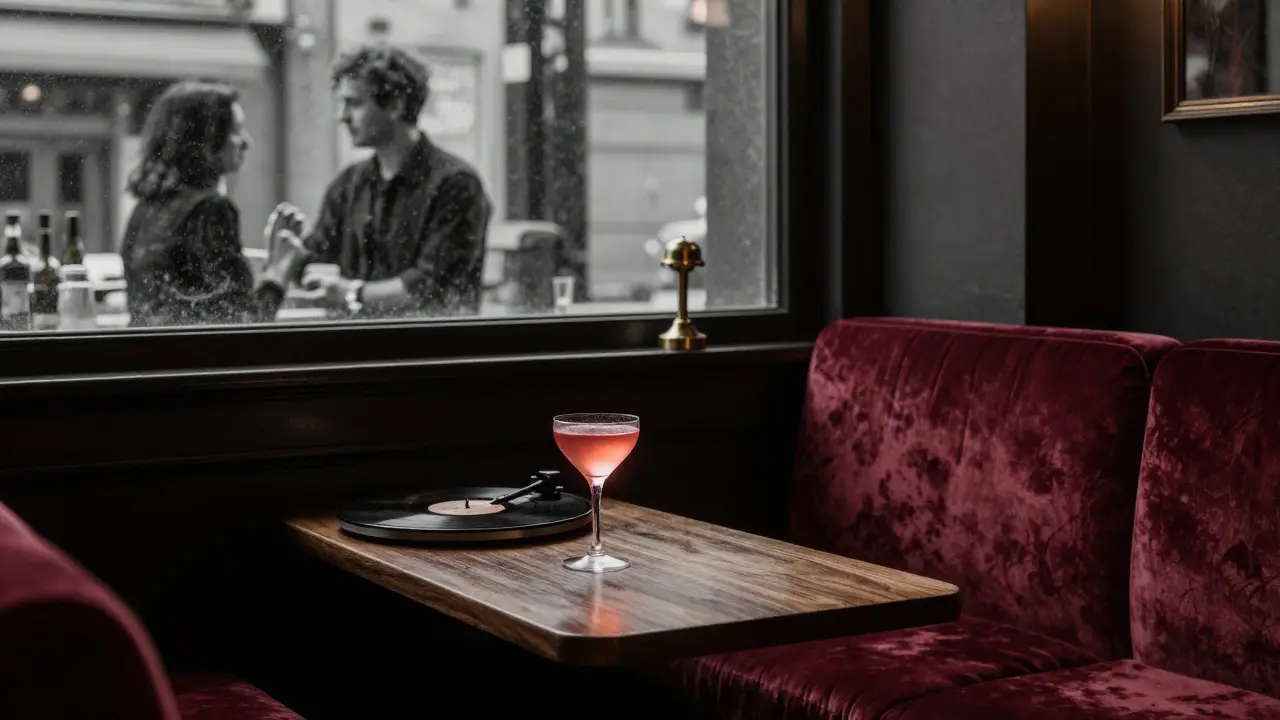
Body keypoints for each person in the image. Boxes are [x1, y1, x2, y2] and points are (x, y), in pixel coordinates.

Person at [283, 44, 492, 318]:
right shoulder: (349, 184)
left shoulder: (456, 184)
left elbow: (429, 289)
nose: (342, 117)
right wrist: (287, 254)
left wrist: (351, 293)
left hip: (431, 351)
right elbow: (316, 255)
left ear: (395, 106)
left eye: (354, 103)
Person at [121, 81, 308, 327]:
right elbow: (242, 325)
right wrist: (278, 272)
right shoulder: (209, 210)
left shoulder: (144, 209)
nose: (246, 142)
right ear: (206, 140)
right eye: (236, 130)